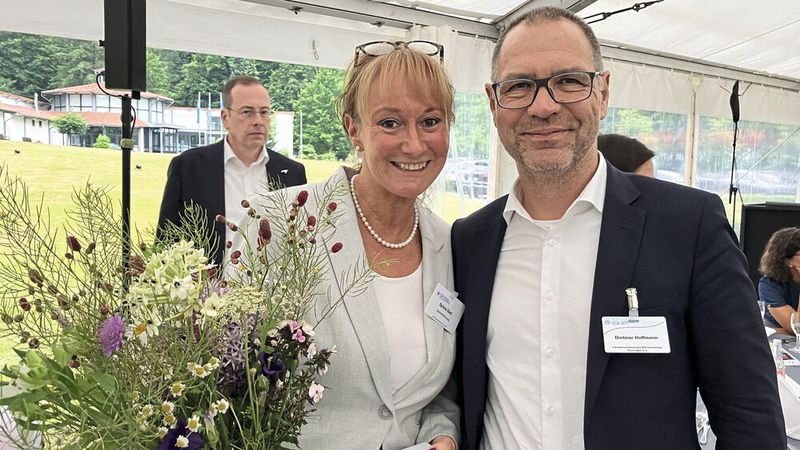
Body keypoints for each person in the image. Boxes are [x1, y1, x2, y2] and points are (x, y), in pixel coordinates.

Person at [451, 7, 785, 450]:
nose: (545, 105)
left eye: (569, 81)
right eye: (519, 86)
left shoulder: (689, 225)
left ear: (603, 92)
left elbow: (749, 416)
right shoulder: (469, 240)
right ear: (494, 104)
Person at [244, 41, 459, 449]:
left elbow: (434, 392)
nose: (414, 144)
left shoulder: (448, 245)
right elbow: (230, 381)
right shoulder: (278, 225)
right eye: (390, 123)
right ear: (353, 130)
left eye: (430, 121)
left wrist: (442, 434)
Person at [157, 76, 306, 265]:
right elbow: (166, 240)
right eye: (247, 112)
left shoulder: (292, 173)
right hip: (207, 289)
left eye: (264, 112)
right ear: (225, 118)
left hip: (272, 289)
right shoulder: (189, 168)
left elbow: (300, 244)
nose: (258, 121)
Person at [758, 227, 800, 333]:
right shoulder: (769, 285)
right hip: (782, 344)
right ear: (786, 260)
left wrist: (781, 330)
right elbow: (797, 328)